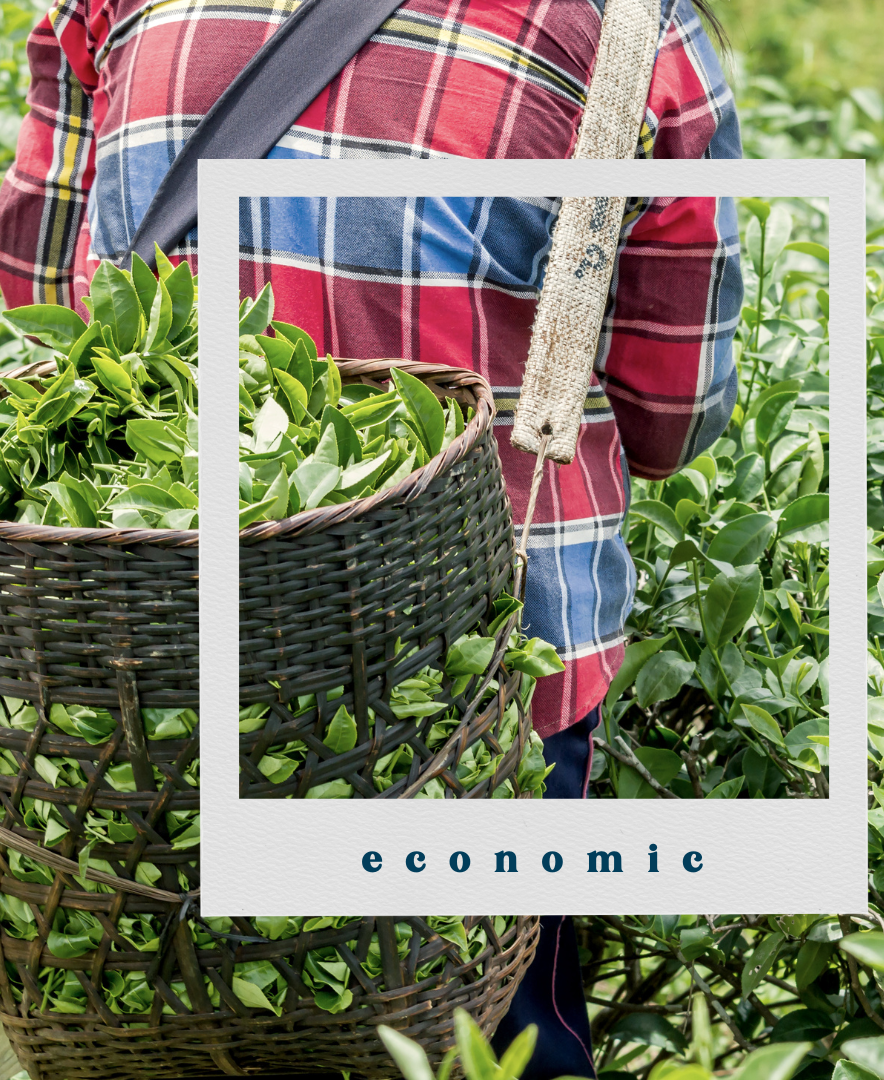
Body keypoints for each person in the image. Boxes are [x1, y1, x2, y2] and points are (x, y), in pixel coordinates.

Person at [0, 2, 742, 1078]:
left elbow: (40, 335)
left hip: (137, 687)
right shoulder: (635, 28)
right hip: (481, 671)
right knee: (494, 1035)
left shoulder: (104, 7)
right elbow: (673, 413)